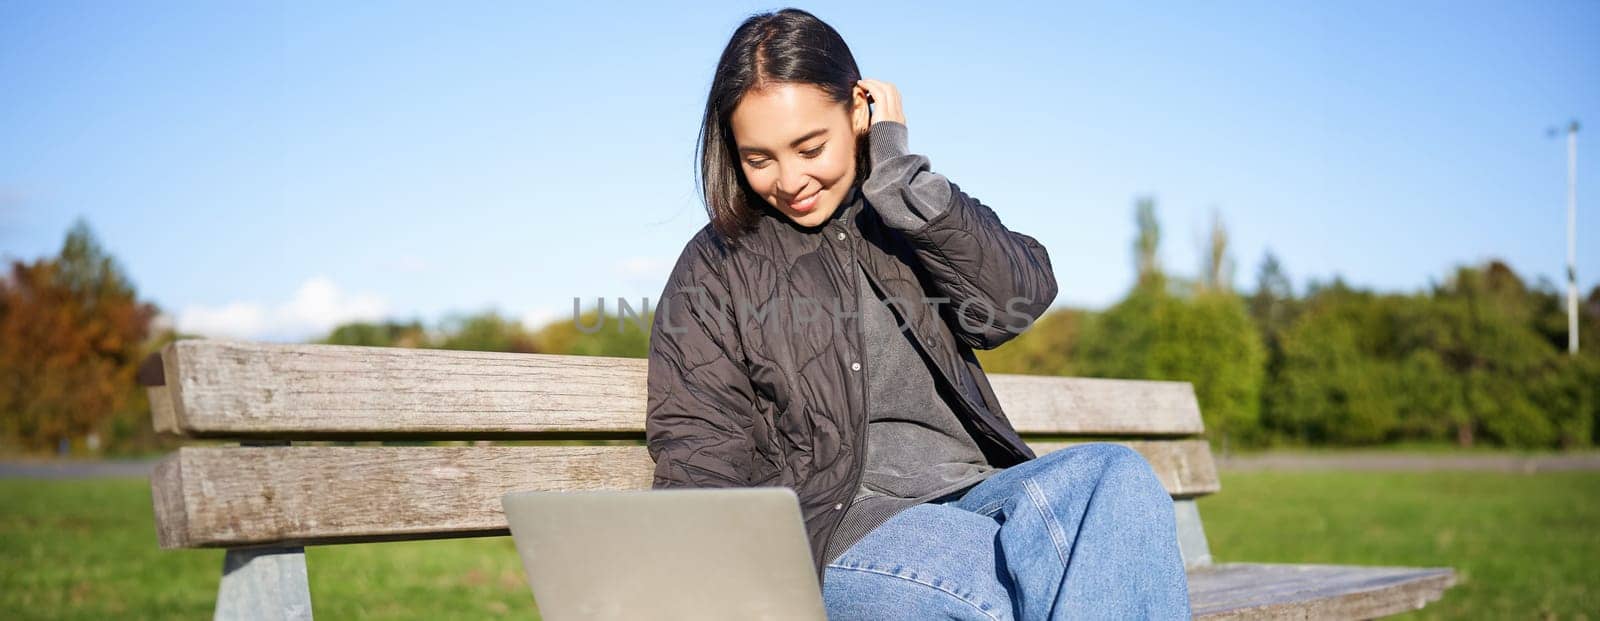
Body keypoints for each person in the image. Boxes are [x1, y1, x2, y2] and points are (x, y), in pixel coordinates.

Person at [644, 8, 1190, 620]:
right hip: (841, 528)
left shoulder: (908, 215)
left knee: (1115, 475)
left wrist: (901, 181)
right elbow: (700, 439)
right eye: (760, 158)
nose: (790, 179)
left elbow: (1014, 302)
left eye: (809, 147)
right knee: (1019, 593)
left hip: (982, 494)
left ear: (859, 112)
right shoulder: (717, 264)